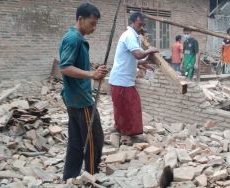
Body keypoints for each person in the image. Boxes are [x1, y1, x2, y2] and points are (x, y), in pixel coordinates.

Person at [59, 3, 108, 180]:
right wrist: (91, 74)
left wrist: (93, 68)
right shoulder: (75, 39)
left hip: (73, 97)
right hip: (81, 100)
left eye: (96, 24)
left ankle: (69, 177)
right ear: (80, 19)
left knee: (76, 140)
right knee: (94, 139)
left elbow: (74, 63)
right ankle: (91, 176)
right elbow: (64, 67)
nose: (94, 28)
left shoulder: (72, 37)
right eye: (92, 23)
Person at [109, 12, 158, 143]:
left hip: (121, 80)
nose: (141, 28)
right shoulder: (129, 35)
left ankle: (120, 128)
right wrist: (149, 51)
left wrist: (142, 63)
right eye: (139, 24)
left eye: (143, 25)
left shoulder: (132, 36)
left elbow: (131, 57)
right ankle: (130, 133)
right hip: (122, 80)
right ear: (132, 23)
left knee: (121, 106)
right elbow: (137, 54)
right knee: (132, 106)